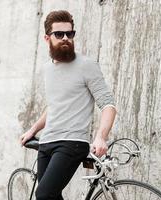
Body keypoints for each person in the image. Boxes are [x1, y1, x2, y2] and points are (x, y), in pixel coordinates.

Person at [19, 10, 117, 200]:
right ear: (47, 38)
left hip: (72, 142)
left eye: (69, 34)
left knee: (44, 195)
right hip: (46, 142)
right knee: (53, 196)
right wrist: (33, 129)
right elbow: (55, 105)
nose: (65, 38)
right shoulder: (47, 69)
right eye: (59, 34)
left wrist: (100, 137)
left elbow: (108, 105)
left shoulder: (86, 65)